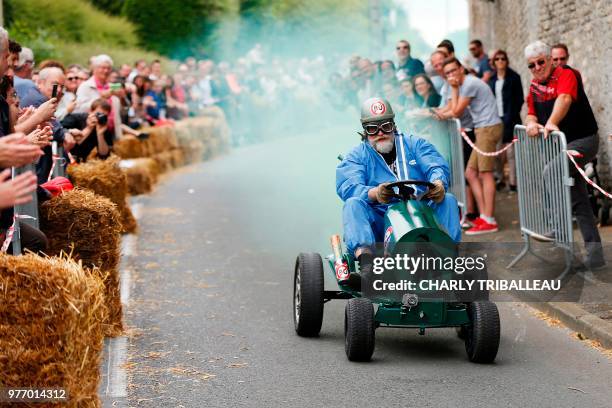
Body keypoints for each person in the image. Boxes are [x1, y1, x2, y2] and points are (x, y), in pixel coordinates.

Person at [336, 97, 461, 286]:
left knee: (448, 199)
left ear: (393, 126)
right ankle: (368, 266)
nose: (380, 134)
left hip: (420, 212)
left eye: (385, 127)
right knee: (353, 204)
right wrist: (374, 193)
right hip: (380, 217)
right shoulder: (357, 155)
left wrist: (438, 183)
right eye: (372, 129)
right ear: (364, 131)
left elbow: (435, 164)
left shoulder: (415, 144)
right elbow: (348, 186)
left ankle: (448, 263)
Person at [524, 40, 604, 270]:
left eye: (541, 62)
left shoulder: (566, 74)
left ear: (550, 60)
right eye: (532, 65)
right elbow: (530, 113)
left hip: (584, 140)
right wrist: (531, 124)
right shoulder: (534, 87)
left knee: (551, 171)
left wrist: (551, 122)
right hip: (562, 144)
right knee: (580, 200)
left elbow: (565, 98)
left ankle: (558, 228)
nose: (537, 67)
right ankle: (595, 256)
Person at [444, 57, 503, 235]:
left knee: (485, 173)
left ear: (462, 69)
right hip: (482, 129)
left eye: (454, 70)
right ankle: (484, 216)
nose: (451, 75)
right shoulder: (465, 84)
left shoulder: (468, 83)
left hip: (488, 128)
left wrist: (453, 88)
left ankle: (489, 220)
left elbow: (455, 112)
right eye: (447, 73)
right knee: (470, 173)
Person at [489, 50, 523, 192]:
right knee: (497, 152)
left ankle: (513, 183)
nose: (500, 61)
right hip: (496, 120)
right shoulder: (492, 80)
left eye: (503, 58)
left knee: (511, 153)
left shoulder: (514, 77)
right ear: (494, 62)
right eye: (497, 59)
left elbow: (519, 99)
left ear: (507, 60)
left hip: (512, 119)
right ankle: (500, 178)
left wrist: (511, 116)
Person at [61, 98, 113, 162]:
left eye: (104, 116)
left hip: (85, 164)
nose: (100, 117)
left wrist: (100, 134)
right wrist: (89, 128)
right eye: (99, 114)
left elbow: (104, 155)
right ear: (90, 111)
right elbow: (69, 142)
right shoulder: (74, 118)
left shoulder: (103, 126)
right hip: (67, 160)